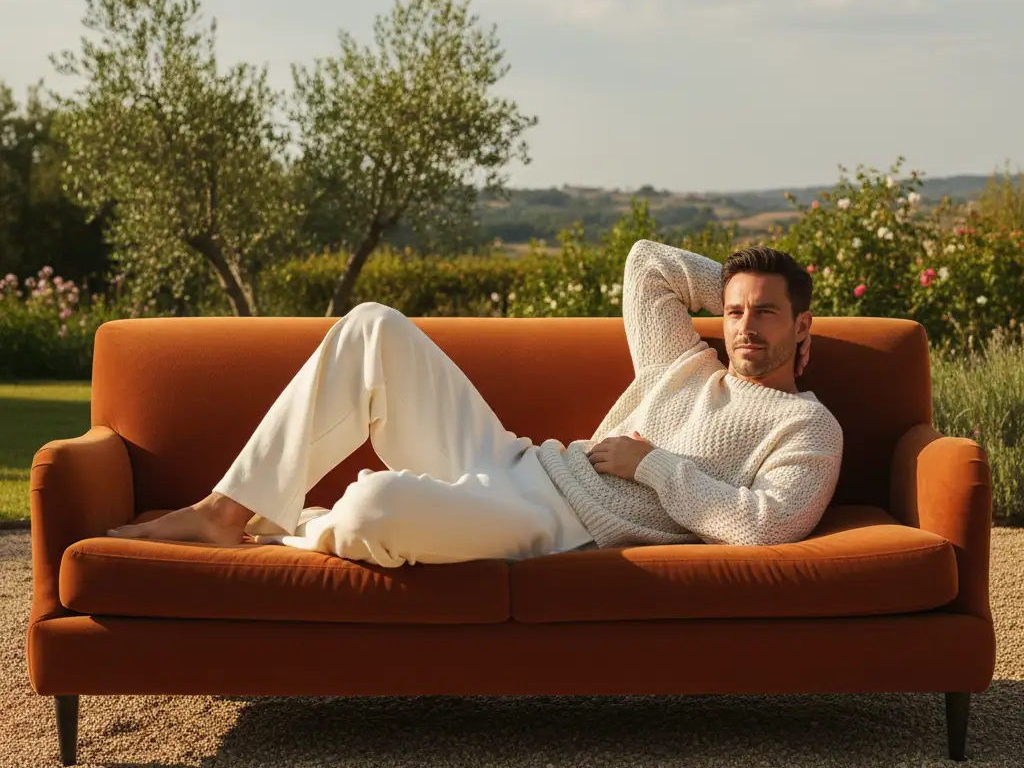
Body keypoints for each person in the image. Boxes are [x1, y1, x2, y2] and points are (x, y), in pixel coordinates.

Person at [106, 240, 842, 564]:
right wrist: (748, 285)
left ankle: (308, 526)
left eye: (768, 315)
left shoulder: (806, 425)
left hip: (551, 529)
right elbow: (646, 263)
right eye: (736, 313)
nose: (744, 328)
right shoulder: (684, 360)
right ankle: (222, 515)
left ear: (803, 326)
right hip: (517, 460)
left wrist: (651, 465)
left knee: (372, 510)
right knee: (372, 328)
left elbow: (767, 527)